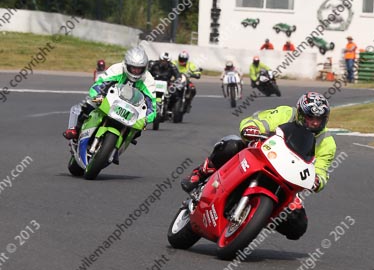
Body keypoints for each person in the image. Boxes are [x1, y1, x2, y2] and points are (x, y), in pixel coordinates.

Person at [180, 92, 336, 240]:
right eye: (310, 117)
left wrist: (318, 180)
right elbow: (258, 121)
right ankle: (200, 172)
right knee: (232, 145)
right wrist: (251, 128)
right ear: (300, 114)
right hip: (262, 157)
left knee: (298, 225)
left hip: (287, 178)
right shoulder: (285, 113)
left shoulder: (327, 143)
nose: (314, 123)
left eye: (319, 119)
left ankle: (259, 218)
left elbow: (322, 170)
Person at [63, 46, 157, 161]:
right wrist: (97, 94)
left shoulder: (148, 80)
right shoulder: (117, 69)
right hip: (110, 100)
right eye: (133, 68)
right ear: (126, 65)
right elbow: (100, 83)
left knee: (138, 129)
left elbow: (152, 105)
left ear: (145, 68)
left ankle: (117, 148)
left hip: (132, 109)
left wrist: (147, 118)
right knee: (90, 103)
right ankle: (76, 129)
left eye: (139, 69)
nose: (136, 71)